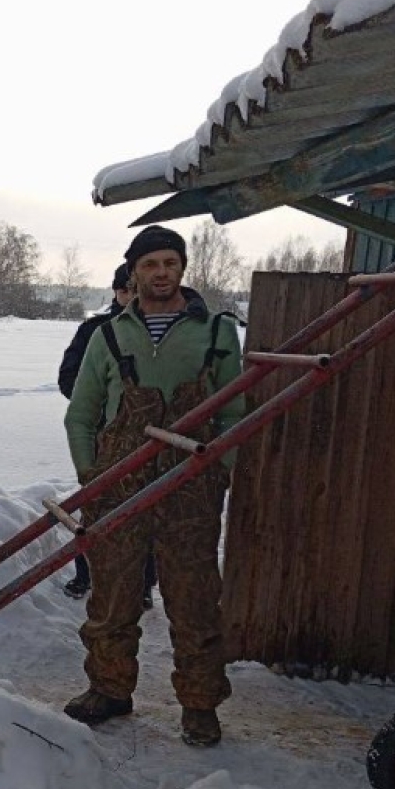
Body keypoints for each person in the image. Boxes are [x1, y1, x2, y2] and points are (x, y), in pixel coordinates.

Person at [62, 224, 245, 747]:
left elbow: (233, 411)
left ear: (182, 268)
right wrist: (90, 476)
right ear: (134, 272)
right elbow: (83, 415)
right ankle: (109, 688)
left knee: (194, 601)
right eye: (149, 264)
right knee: (113, 597)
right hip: (119, 485)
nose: (161, 272)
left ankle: (200, 705)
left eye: (169, 262)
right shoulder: (109, 335)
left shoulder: (215, 333)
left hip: (191, 488)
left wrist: (221, 472)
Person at [57, 262, 157, 608]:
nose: (130, 296)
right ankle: (86, 575)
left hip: (150, 440)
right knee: (95, 506)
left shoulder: (162, 334)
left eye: (136, 289)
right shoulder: (95, 331)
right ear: (116, 292)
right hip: (103, 440)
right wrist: (101, 411)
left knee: (148, 509)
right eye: (124, 289)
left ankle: (143, 584)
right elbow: (68, 378)